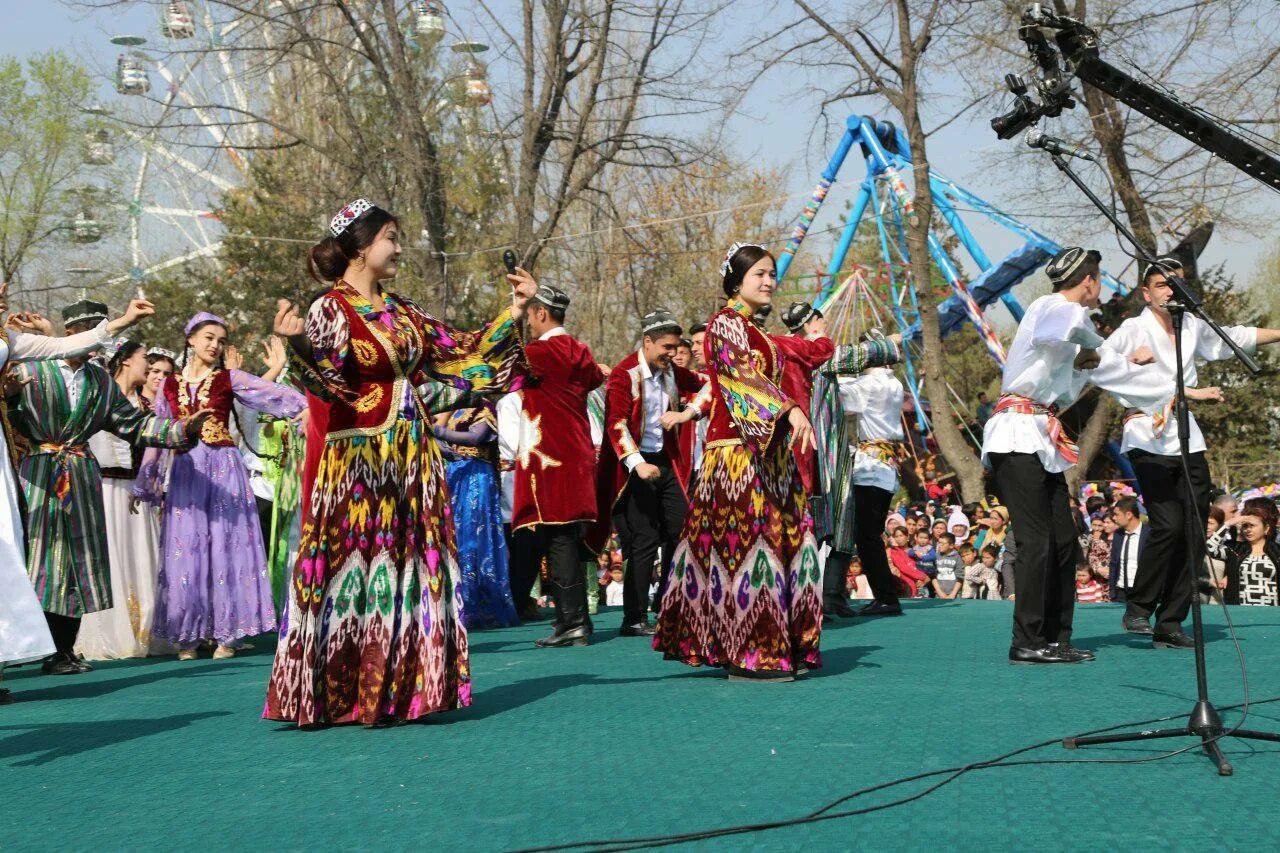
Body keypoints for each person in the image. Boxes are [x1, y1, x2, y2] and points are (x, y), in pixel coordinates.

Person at [264, 199, 530, 727]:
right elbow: (325, 386)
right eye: (390, 236)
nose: (400, 247)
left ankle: (400, 689)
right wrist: (297, 346)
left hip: (413, 458)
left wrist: (515, 310)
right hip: (359, 462)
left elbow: (461, 354)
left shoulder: (402, 310)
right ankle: (344, 693)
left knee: (411, 566)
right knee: (358, 568)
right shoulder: (330, 310)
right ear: (360, 247)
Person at [653, 243, 899, 681]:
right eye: (759, 275)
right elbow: (739, 376)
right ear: (736, 280)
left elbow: (814, 355)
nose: (769, 281)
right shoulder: (723, 326)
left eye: (771, 274)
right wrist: (788, 408)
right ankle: (750, 652)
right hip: (738, 462)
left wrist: (880, 347)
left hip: (773, 460)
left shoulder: (762, 333)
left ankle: (780, 644)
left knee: (786, 550)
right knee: (750, 554)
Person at [982, 246, 1169, 664]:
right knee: (1035, 541)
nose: (1099, 287)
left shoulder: (1068, 329)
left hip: (1040, 437)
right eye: (1098, 279)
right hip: (1016, 435)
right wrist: (1112, 349)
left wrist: (1102, 368)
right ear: (1089, 280)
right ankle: (1026, 640)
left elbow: (1075, 382)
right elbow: (1060, 331)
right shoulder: (1052, 307)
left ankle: (1054, 637)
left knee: (1064, 541)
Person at [12, 301, 206, 677]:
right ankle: (21, 648)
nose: (98, 341)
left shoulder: (100, 382)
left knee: (78, 561)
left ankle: (62, 651)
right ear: (71, 334)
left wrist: (182, 430)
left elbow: (133, 424)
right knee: (34, 559)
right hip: (36, 473)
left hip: (82, 474)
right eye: (90, 330)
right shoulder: (31, 369)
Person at [1100, 258, 1280, 647]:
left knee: (1196, 528)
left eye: (1176, 284)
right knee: (1167, 523)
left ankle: (1170, 621)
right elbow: (1097, 364)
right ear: (1146, 293)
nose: (1170, 291)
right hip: (1147, 431)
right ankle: (1138, 605)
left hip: (1186, 433)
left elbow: (1235, 337)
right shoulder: (1133, 329)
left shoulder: (1192, 326)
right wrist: (1131, 362)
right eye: (1161, 285)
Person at [134, 312, 304, 662]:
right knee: (187, 547)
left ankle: (228, 633)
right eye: (209, 338)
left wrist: (305, 408)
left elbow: (270, 394)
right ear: (191, 340)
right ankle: (189, 635)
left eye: (221, 340)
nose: (215, 345)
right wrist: (148, 476)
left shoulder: (230, 378)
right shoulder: (169, 385)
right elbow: (159, 433)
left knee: (226, 545)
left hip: (224, 468)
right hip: (185, 470)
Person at [589, 309, 705, 637]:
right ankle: (634, 618)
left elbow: (706, 385)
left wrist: (693, 410)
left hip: (665, 462)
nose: (673, 354)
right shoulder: (625, 374)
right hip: (632, 468)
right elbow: (616, 424)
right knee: (643, 540)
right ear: (647, 342)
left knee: (681, 529)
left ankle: (670, 606)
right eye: (667, 347)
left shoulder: (671, 372)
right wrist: (637, 463)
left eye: (676, 348)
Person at [513, 282, 606, 648]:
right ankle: (574, 619)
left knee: (559, 539)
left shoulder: (539, 353)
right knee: (567, 538)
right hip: (579, 454)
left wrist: (512, 312)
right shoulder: (580, 351)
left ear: (540, 313)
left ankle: (573, 622)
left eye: (531, 318)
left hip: (551, 458)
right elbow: (597, 376)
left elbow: (500, 365)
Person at [76, 341, 176, 660]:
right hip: (104, 487)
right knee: (110, 558)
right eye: (143, 359)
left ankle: (145, 631)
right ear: (124, 362)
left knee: (141, 556)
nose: (147, 365)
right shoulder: (100, 397)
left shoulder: (146, 406)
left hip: (137, 491)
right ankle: (109, 635)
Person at [822, 334, 907, 616]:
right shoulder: (893, 382)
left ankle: (886, 596)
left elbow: (842, 399)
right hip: (886, 465)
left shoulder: (869, 384)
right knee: (870, 533)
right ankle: (885, 595)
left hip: (870, 466)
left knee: (865, 535)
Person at [434, 402, 520, 630]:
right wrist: (441, 445)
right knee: (455, 537)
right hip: (454, 474)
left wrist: (439, 432)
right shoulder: (452, 408)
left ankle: (478, 604)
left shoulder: (485, 407)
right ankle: (456, 603)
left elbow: (477, 437)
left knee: (474, 538)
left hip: (477, 477)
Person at [773, 301, 835, 498]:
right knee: (800, 490)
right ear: (810, 322)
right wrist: (818, 333)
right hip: (796, 429)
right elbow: (824, 350)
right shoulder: (796, 346)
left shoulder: (779, 343)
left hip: (776, 428)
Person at [1206, 499, 1279, 607]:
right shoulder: (1235, 549)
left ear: (1266, 528)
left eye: (1252, 525)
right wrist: (1229, 523)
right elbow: (1209, 548)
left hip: (1273, 613)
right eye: (1245, 526)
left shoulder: (1277, 551)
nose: (1247, 530)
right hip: (1239, 612)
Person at [1107, 497, 1147, 605]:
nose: (1114, 518)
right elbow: (1114, 563)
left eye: (1117, 514)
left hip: (1143, 592)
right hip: (1121, 593)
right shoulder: (1118, 534)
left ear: (1129, 515)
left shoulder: (1149, 534)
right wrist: (1112, 592)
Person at [932, 534, 963, 600]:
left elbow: (960, 578)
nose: (939, 545)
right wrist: (940, 593)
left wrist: (953, 594)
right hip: (939, 594)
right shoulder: (936, 556)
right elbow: (933, 577)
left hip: (955, 595)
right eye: (939, 543)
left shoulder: (957, 557)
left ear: (951, 545)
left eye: (942, 543)